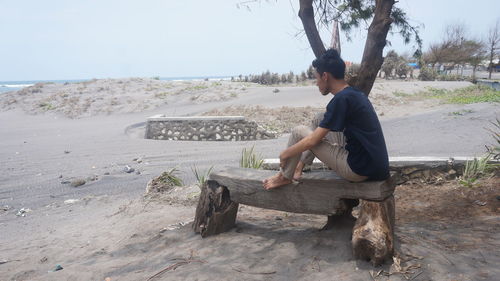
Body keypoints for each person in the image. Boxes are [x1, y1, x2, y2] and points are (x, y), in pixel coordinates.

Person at [263, 49, 389, 190]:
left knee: (298, 132)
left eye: (316, 78)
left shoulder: (340, 100)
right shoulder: (354, 94)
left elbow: (313, 141)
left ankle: (284, 177)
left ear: (325, 76)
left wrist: (285, 153)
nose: (316, 83)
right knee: (320, 119)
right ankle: (298, 168)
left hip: (358, 170)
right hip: (376, 166)